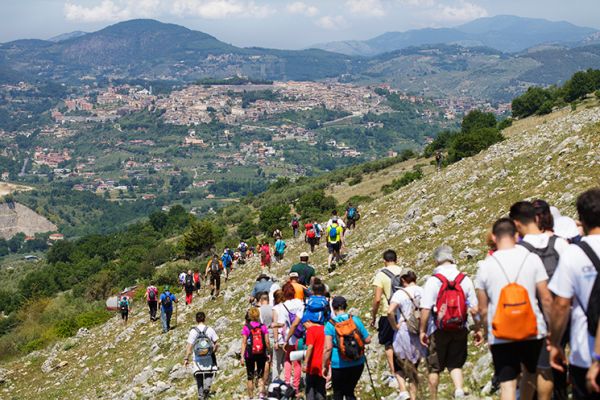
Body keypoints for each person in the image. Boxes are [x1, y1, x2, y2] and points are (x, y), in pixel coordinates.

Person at [475, 218, 552, 400]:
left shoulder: (485, 266)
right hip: (533, 328)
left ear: (494, 237)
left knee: (507, 384)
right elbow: (546, 297)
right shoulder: (531, 258)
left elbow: (483, 309)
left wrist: (487, 333)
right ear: (517, 235)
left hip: (501, 333)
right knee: (533, 373)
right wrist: (551, 329)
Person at [510, 200, 569, 399]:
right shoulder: (560, 243)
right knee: (555, 362)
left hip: (533, 318)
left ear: (517, 224)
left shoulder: (519, 251)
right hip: (564, 312)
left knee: (533, 368)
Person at [549, 188, 600, 400]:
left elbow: (561, 304)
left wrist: (556, 342)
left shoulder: (573, 254)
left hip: (584, 351)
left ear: (581, 219)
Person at [419, 245, 478, 399]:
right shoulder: (464, 279)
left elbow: (425, 308)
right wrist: (478, 328)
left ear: (436, 261)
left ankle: (433, 396)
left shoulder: (433, 281)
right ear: (452, 258)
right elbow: (474, 307)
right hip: (460, 326)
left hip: (437, 329)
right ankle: (459, 390)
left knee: (434, 367)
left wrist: (422, 331)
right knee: (455, 362)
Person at [323, 296, 371, 400]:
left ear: (333, 307)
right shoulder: (354, 320)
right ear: (345, 306)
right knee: (349, 391)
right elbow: (367, 340)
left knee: (338, 393)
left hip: (339, 365)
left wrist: (325, 365)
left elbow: (328, 348)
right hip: (357, 362)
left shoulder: (330, 325)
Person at [387, 269, 425, 400]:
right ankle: (413, 396)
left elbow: (390, 312)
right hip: (419, 329)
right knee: (415, 366)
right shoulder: (422, 290)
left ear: (403, 280)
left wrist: (394, 326)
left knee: (398, 362)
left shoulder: (400, 293)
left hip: (404, 329)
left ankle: (403, 390)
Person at [371, 249, 405, 387]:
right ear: (396, 259)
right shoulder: (404, 271)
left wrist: (373, 316)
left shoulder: (381, 275)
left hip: (388, 313)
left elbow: (377, 299)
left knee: (389, 344)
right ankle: (407, 369)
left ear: (384, 261)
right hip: (403, 312)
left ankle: (394, 374)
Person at [184, 311, 219, 400]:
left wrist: (186, 358)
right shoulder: (210, 329)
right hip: (208, 357)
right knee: (209, 373)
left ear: (196, 320)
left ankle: (200, 396)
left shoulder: (193, 331)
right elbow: (216, 344)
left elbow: (189, 346)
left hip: (198, 359)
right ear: (204, 318)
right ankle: (207, 388)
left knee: (199, 376)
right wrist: (213, 351)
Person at [278, 282, 305, 394]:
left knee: (288, 360)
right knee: (297, 362)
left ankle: (287, 384)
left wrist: (283, 339)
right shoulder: (300, 303)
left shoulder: (283, 306)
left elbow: (282, 324)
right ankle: (296, 387)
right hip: (300, 336)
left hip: (288, 338)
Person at [241, 307, 271, 399]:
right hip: (261, 353)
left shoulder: (246, 327)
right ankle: (261, 396)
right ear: (258, 315)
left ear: (249, 316)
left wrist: (242, 356)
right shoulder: (263, 327)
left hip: (249, 355)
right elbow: (267, 341)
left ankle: (251, 397)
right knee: (260, 376)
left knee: (250, 377)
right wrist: (268, 352)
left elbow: (244, 342)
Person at [304, 313, 327, 400]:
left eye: (304, 325)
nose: (304, 328)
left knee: (310, 387)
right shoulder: (325, 329)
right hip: (323, 363)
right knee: (321, 387)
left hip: (312, 364)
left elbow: (310, 347)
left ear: (308, 321)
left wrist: (305, 363)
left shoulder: (311, 330)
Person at [271, 289, 287, 381]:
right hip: (288, 338)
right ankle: (287, 381)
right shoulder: (288, 306)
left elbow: (275, 325)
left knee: (276, 362)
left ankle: (275, 382)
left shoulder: (275, 309)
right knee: (287, 361)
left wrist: (276, 341)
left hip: (280, 338)